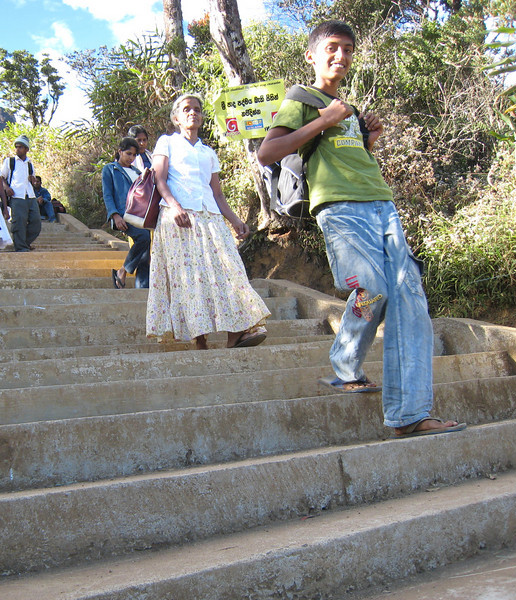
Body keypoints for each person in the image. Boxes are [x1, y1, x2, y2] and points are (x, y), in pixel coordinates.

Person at [257, 20, 465, 438]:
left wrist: (366, 138)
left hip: (381, 203)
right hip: (339, 207)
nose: (341, 56)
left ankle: (411, 413)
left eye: (348, 49)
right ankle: (346, 361)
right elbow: (269, 152)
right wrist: (325, 119)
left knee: (410, 299)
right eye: (332, 47)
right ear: (312, 55)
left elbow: (346, 154)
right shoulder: (302, 99)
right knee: (372, 288)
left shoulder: (346, 107)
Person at [147, 94, 270, 349]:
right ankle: (199, 339)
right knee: (189, 278)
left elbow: (216, 192)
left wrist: (235, 221)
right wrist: (175, 207)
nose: (193, 113)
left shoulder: (208, 152)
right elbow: (160, 180)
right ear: (176, 117)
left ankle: (236, 332)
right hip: (178, 218)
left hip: (211, 217)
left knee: (229, 270)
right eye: (186, 109)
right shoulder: (166, 142)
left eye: (197, 109)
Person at [102, 137, 150, 289]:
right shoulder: (110, 169)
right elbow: (107, 194)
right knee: (143, 238)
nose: (131, 158)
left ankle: (142, 287)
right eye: (128, 154)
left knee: (144, 253)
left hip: (141, 216)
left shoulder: (137, 172)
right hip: (124, 215)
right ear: (120, 152)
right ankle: (122, 271)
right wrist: (115, 215)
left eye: (134, 155)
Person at [0, 135, 41, 252]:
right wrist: (7, 188)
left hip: (30, 195)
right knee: (19, 222)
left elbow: (32, 178)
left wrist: (32, 180)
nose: (18, 149)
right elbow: (1, 177)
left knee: (36, 222)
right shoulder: (10, 161)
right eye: (16, 147)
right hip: (16, 195)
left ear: (26, 149)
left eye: (20, 147)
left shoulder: (29, 164)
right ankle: (21, 247)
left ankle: (25, 243)